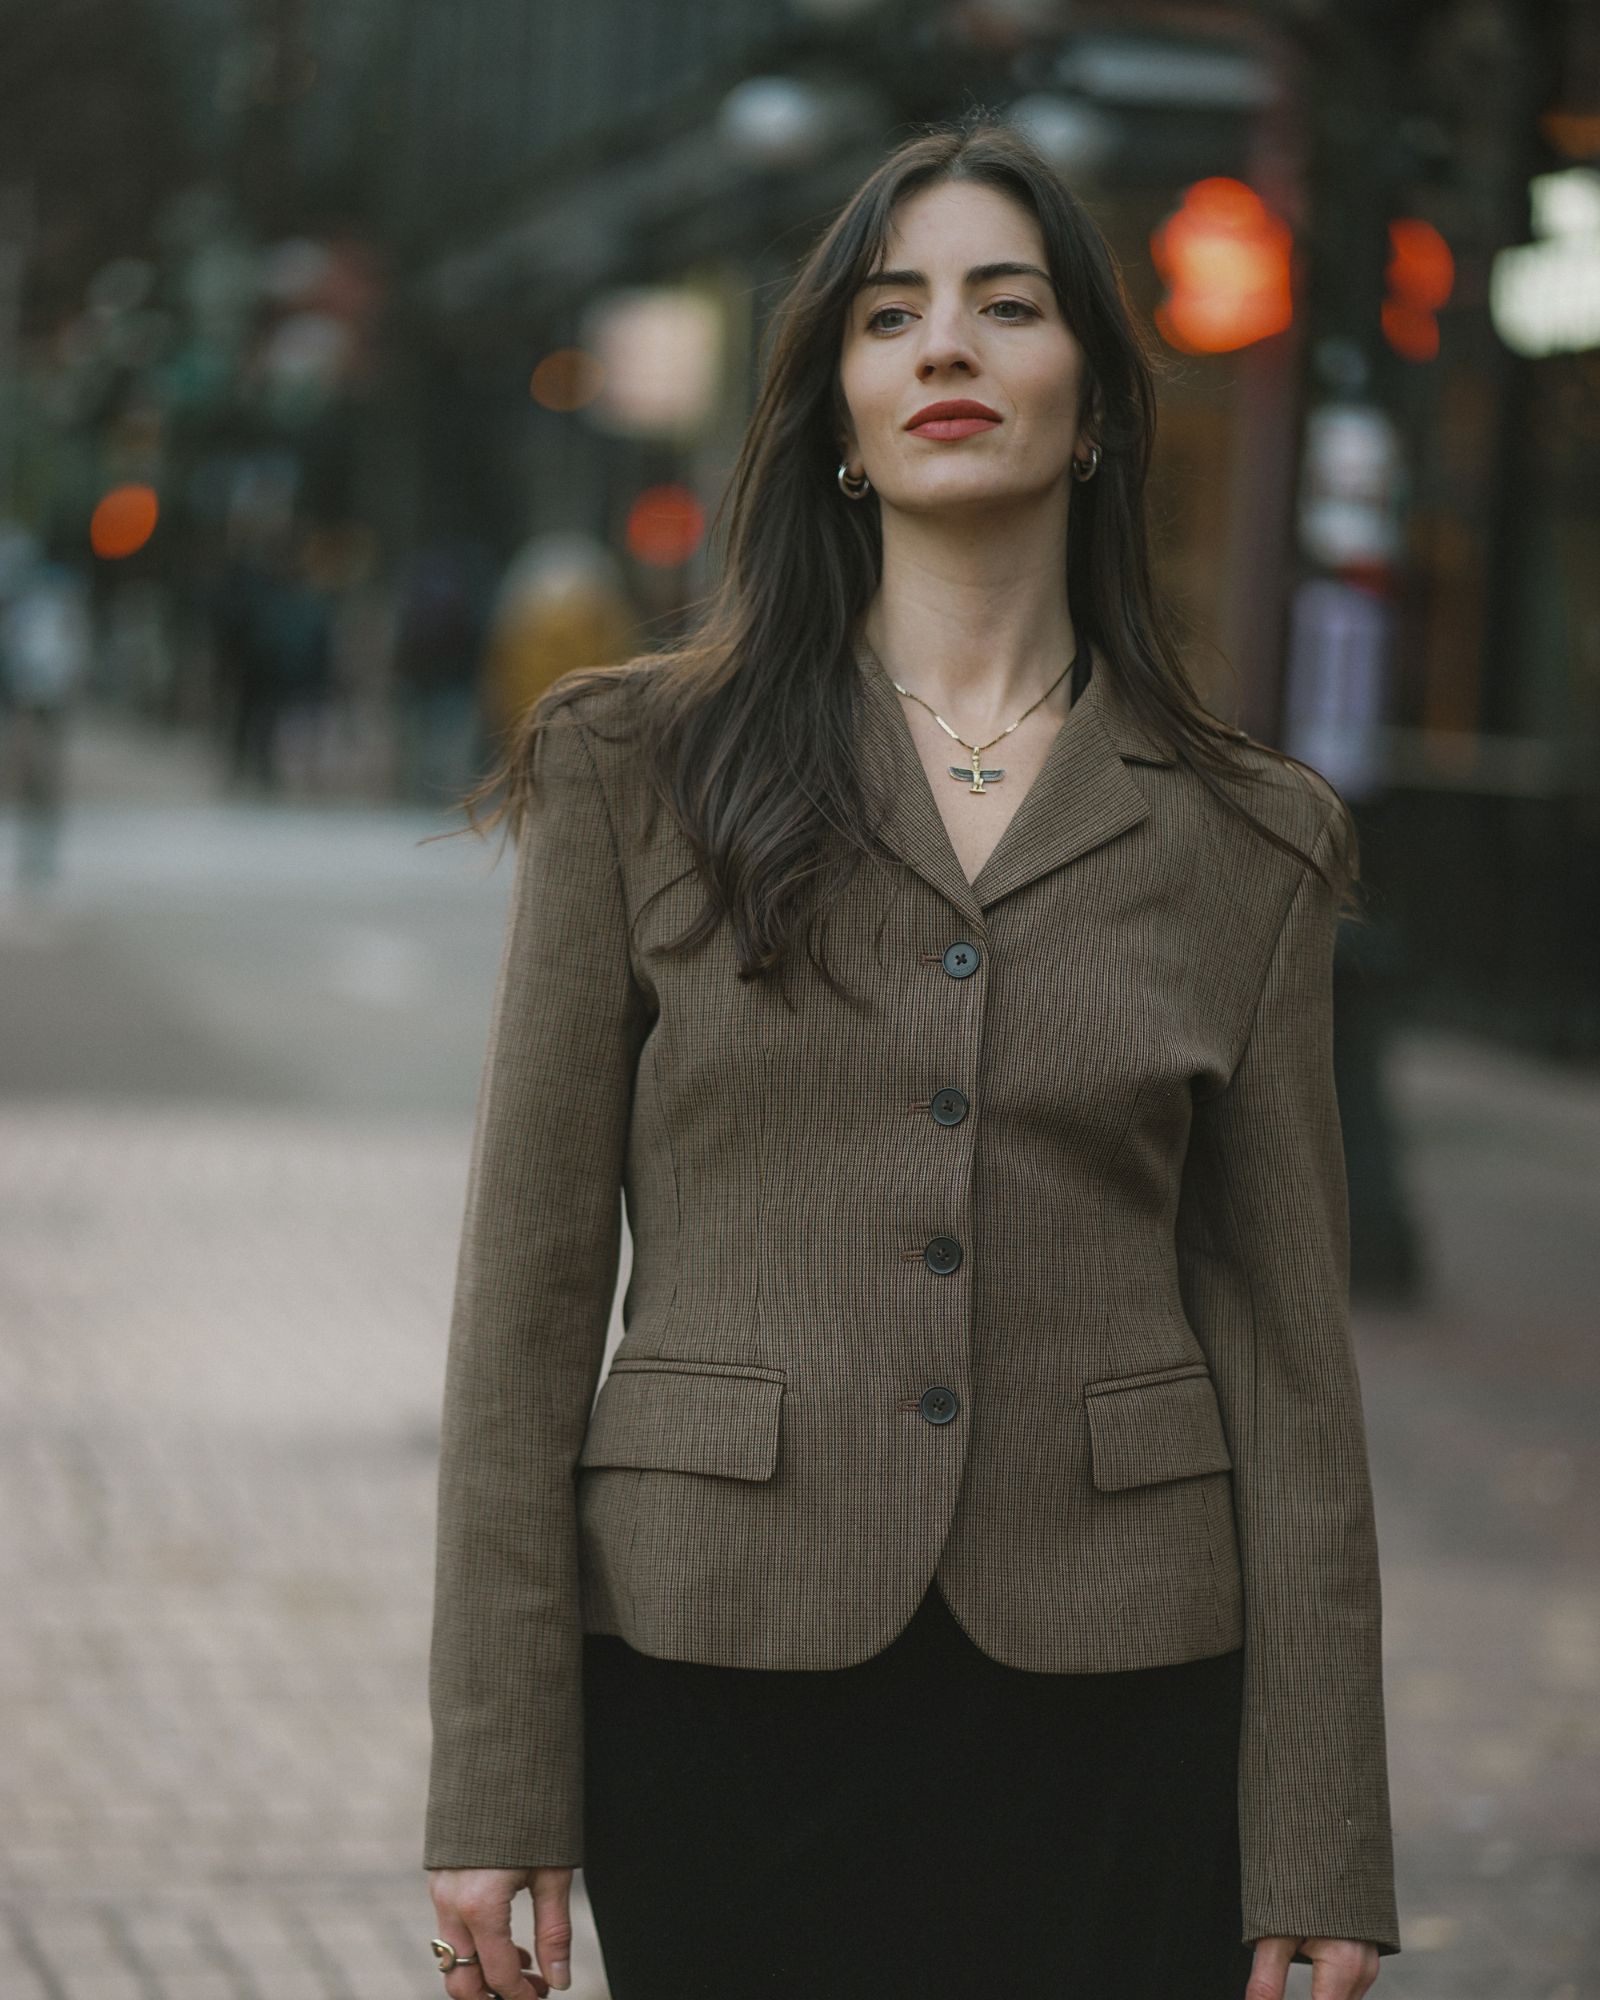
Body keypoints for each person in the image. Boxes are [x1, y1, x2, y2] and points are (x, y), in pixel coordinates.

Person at [425, 125, 1397, 2000]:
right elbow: (527, 1306)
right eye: (894, 316)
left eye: (1006, 305)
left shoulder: (1250, 840)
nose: (945, 347)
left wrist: (1323, 1833)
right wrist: (495, 1779)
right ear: (841, 418)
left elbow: (1290, 1365)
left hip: (1122, 1697)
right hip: (717, 1679)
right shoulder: (637, 773)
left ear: (1097, 402)